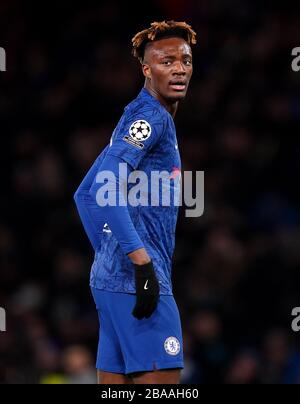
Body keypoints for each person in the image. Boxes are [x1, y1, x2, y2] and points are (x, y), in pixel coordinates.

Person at [74, 20, 196, 384]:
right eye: (166, 61)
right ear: (146, 68)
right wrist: (139, 263)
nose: (179, 69)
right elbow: (106, 188)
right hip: (140, 283)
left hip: (110, 284)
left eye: (186, 61)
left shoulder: (138, 113)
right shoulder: (150, 117)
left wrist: (109, 253)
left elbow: (85, 193)